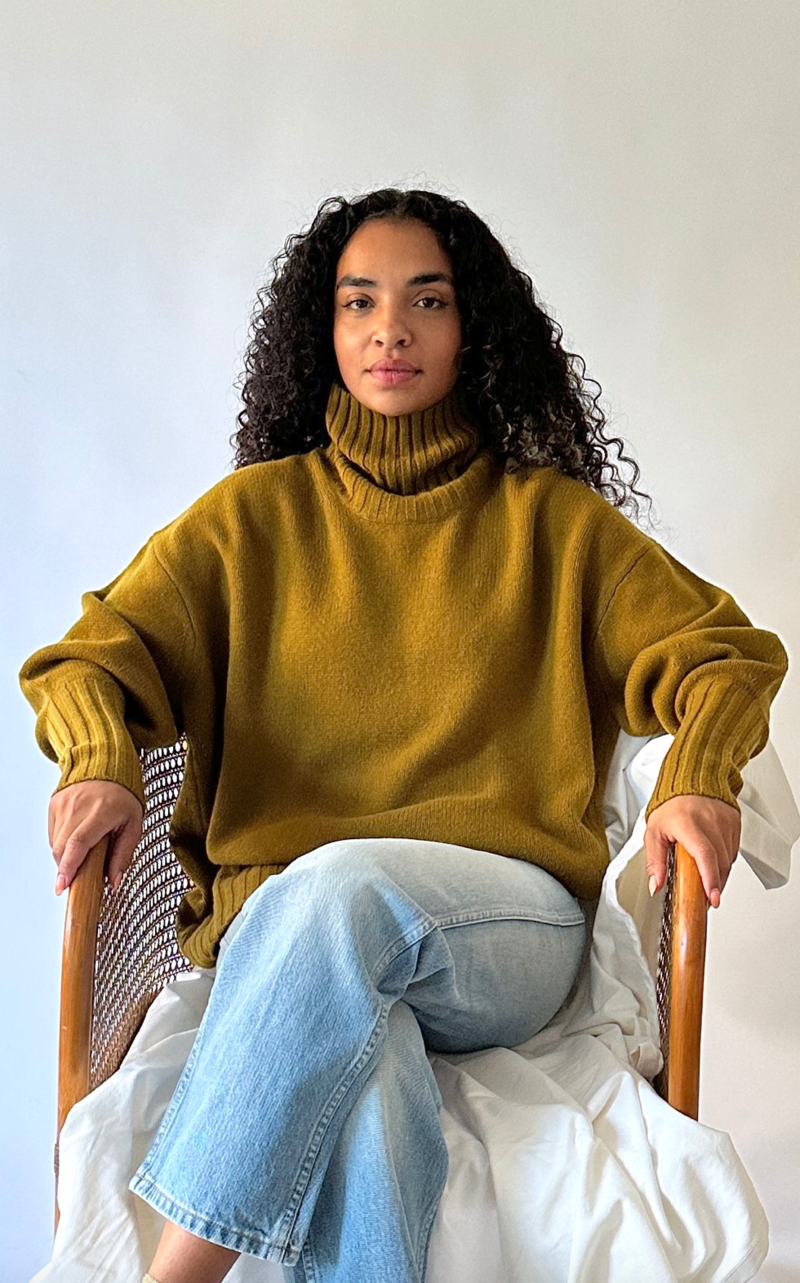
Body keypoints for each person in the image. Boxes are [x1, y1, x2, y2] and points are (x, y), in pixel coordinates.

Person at [19, 188, 789, 1283]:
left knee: (341, 890)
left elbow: (723, 652)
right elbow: (88, 656)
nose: (390, 329)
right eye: (359, 302)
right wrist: (100, 759)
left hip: (504, 931)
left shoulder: (551, 524)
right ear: (323, 332)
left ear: (471, 328)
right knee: (362, 1063)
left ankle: (174, 1273)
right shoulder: (249, 520)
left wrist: (698, 776)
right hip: (287, 940)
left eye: (426, 300)